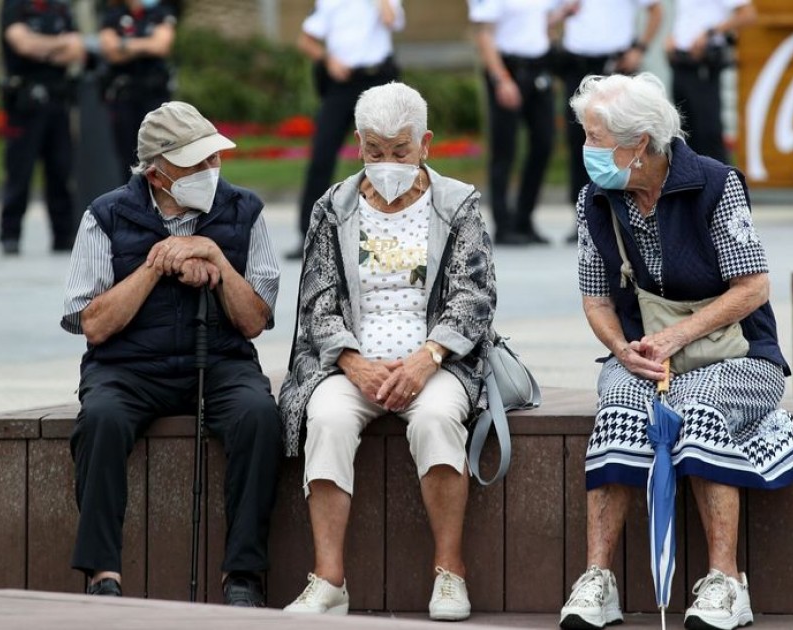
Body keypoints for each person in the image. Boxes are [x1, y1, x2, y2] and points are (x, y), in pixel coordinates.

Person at [559, 73, 793, 630]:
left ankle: (725, 581)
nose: (586, 150)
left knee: (694, 406)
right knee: (619, 403)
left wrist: (675, 336)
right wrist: (622, 349)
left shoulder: (715, 183)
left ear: (638, 143)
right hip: (645, 354)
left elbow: (754, 287)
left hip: (741, 355)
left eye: (594, 137)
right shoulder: (596, 199)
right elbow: (595, 299)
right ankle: (598, 580)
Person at [278, 82, 496, 621]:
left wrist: (428, 358)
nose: (387, 162)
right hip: (352, 364)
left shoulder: (457, 205)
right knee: (325, 417)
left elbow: (475, 296)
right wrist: (352, 362)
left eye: (400, 150)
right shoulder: (334, 207)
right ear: (358, 144)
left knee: (439, 419)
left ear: (425, 143)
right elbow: (317, 300)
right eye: (375, 151)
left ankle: (450, 573)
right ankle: (328, 580)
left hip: (435, 359)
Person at [61, 101, 282, 607]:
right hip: (127, 367)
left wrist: (217, 259)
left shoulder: (244, 210)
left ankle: (243, 575)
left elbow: (254, 321)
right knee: (101, 418)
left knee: (258, 416)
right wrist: (154, 266)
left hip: (221, 360)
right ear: (159, 174)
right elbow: (90, 324)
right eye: (197, 163)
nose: (212, 170)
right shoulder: (106, 215)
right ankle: (102, 574)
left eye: (213, 159)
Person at [289, 0, 404, 259]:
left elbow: (390, 20)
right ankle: (310, 234)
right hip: (342, 83)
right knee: (322, 154)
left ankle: (394, 230)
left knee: (389, 154)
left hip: (378, 79)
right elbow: (306, 40)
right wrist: (328, 60)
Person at [469, 0, 579, 246]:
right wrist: (501, 79)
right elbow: (484, 33)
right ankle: (503, 225)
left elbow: (539, 22)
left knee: (544, 142)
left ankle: (524, 218)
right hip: (507, 68)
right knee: (504, 149)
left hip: (539, 67)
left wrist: (561, 16)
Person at [558, 0, 662, 242]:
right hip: (577, 64)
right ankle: (584, 216)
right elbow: (545, 17)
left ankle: (629, 214)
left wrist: (640, 49)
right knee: (581, 143)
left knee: (625, 142)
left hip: (615, 65)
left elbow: (656, 11)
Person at [0, 0, 86, 255]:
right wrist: (59, 44)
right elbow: (21, 44)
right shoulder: (15, 6)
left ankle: (63, 235)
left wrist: (41, 47)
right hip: (24, 106)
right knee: (19, 173)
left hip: (58, 103)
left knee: (61, 170)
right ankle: (10, 234)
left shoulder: (60, 8)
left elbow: (77, 50)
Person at [666, 0, 756, 164]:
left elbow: (747, 14)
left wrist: (711, 33)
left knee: (708, 132)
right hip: (680, 62)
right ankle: (688, 185)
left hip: (703, 63)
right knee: (683, 132)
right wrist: (673, 37)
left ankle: (721, 185)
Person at [98, 0, 177, 178]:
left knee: (159, 156)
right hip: (124, 96)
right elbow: (110, 50)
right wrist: (147, 44)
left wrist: (124, 44)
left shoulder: (160, 13)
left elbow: (161, 46)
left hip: (155, 96)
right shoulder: (113, 15)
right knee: (128, 158)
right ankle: (132, 202)